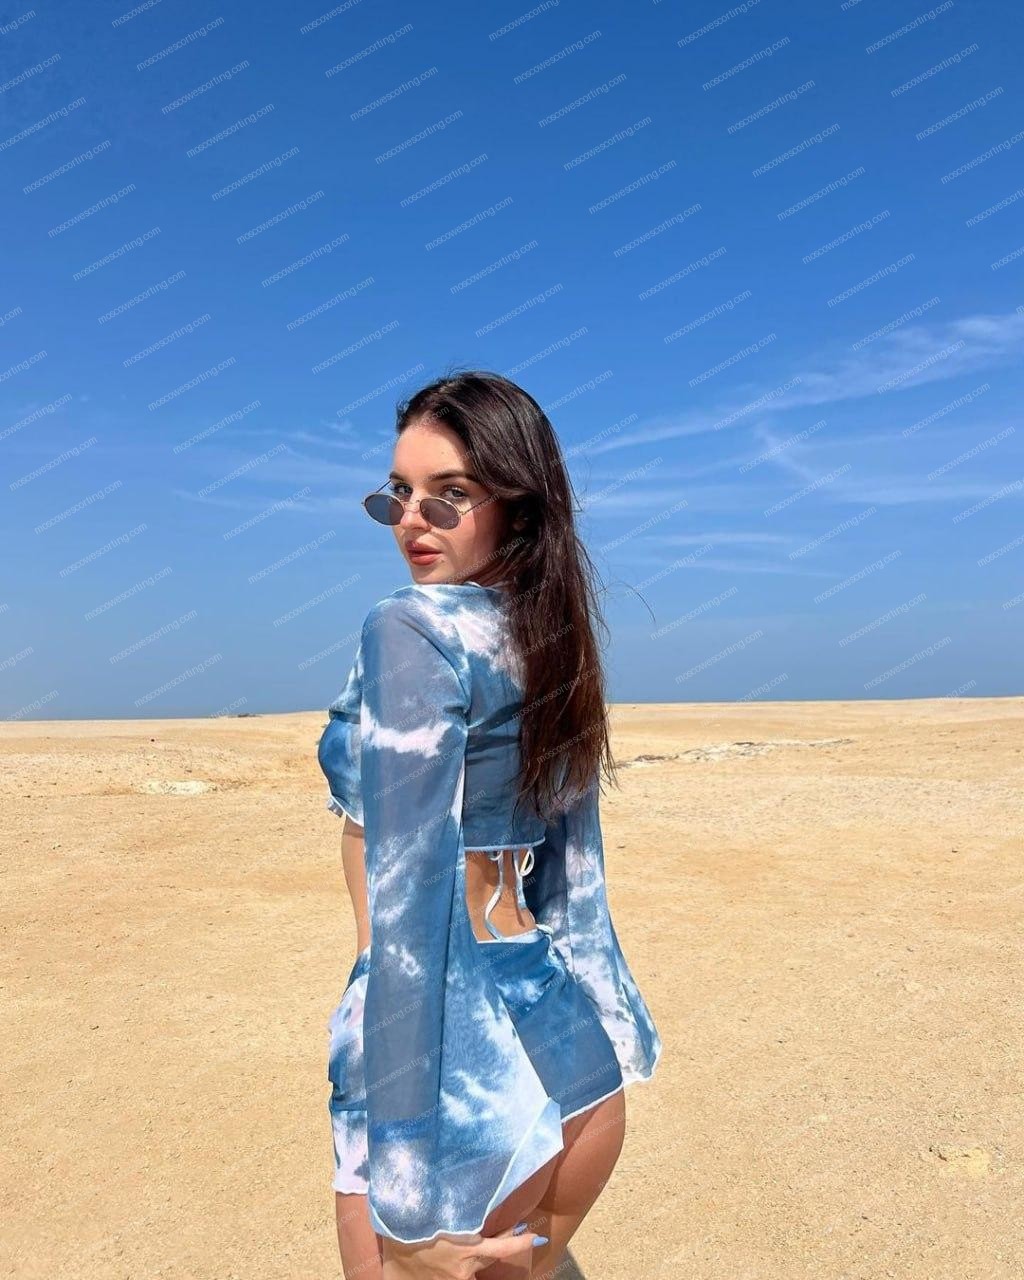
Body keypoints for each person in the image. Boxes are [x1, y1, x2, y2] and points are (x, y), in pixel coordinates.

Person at [317, 371, 662, 1278]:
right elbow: (573, 864)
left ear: (517, 504)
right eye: (398, 493)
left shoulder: (409, 629)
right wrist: (604, 1016)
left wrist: (404, 1211)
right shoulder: (550, 635)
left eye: (449, 495)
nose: (412, 520)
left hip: (447, 1044)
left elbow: (408, 897)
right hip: (556, 1023)